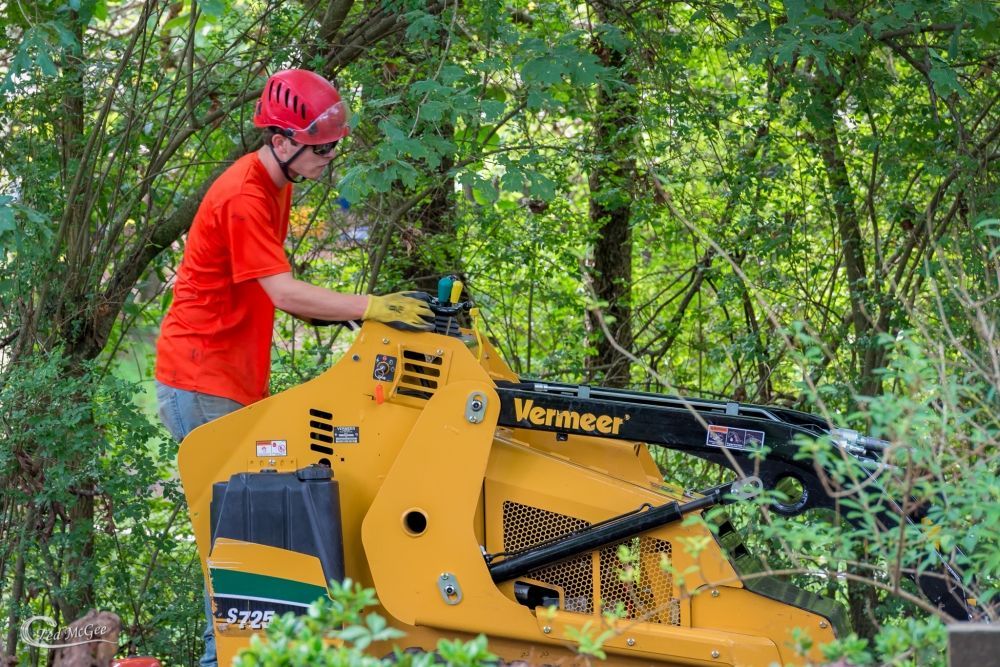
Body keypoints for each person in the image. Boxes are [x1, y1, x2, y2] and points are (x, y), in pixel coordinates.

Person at [153, 68, 434, 667]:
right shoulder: (244, 195)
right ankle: (219, 659)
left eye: (334, 147)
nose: (329, 159)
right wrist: (368, 305)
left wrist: (361, 319)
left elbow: (272, 288)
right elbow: (283, 292)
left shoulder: (275, 183)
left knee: (248, 529)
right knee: (236, 536)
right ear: (282, 140)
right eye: (322, 148)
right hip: (199, 382)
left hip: (225, 379)